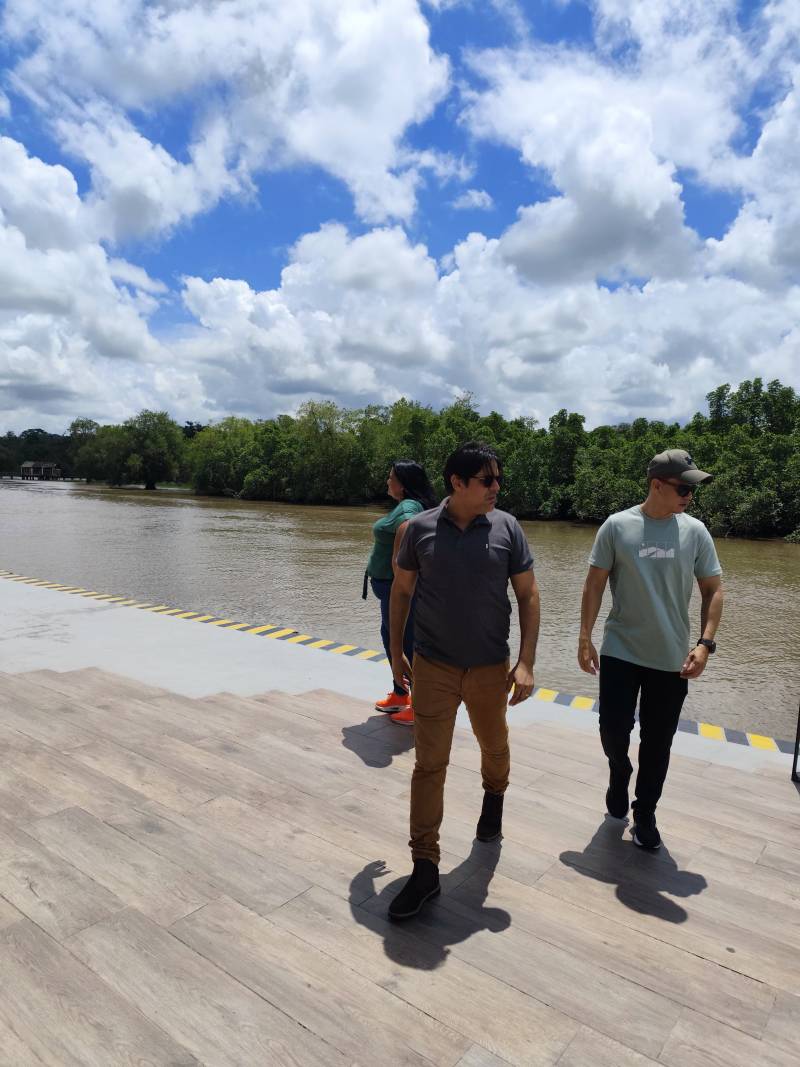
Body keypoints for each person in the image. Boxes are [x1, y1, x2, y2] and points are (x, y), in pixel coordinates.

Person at [386, 442, 540, 920]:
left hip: (490, 667)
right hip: (433, 667)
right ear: (457, 483)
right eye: (487, 480)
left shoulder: (507, 528)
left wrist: (527, 662)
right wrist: (396, 654)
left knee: (494, 748)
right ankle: (424, 866)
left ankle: (494, 798)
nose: (497, 488)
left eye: (498, 479)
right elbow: (401, 594)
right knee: (429, 766)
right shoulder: (420, 529)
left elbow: (530, 596)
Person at [578, 448, 724, 851]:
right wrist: (585, 636)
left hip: (672, 658)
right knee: (612, 731)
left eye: (693, 489)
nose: (689, 496)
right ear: (656, 485)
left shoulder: (695, 532)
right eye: (683, 487)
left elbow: (713, 590)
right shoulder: (617, 526)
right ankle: (618, 772)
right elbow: (594, 584)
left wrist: (705, 644)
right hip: (620, 650)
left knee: (658, 744)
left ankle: (645, 814)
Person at [364, 461, 437, 723]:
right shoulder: (406, 506)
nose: (387, 481)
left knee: (406, 643)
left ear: (403, 483)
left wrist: (401, 574)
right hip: (389, 588)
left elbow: (409, 529)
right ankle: (400, 693)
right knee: (390, 637)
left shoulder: (408, 509)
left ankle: (420, 705)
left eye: (390, 477)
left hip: (399, 590)